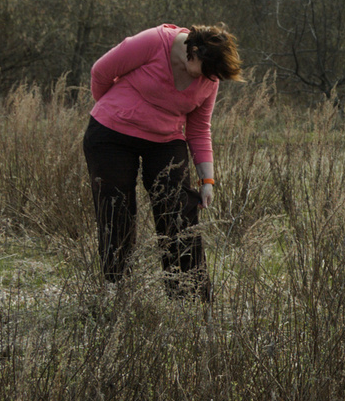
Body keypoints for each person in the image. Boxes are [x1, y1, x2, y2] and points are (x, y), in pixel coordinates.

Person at [84, 23, 243, 296]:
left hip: (165, 138)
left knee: (178, 208)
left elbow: (198, 128)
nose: (207, 79)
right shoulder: (154, 42)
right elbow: (101, 71)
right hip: (111, 133)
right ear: (193, 51)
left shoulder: (210, 77)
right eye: (206, 71)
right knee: (116, 207)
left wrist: (207, 180)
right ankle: (116, 289)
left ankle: (188, 294)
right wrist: (113, 109)